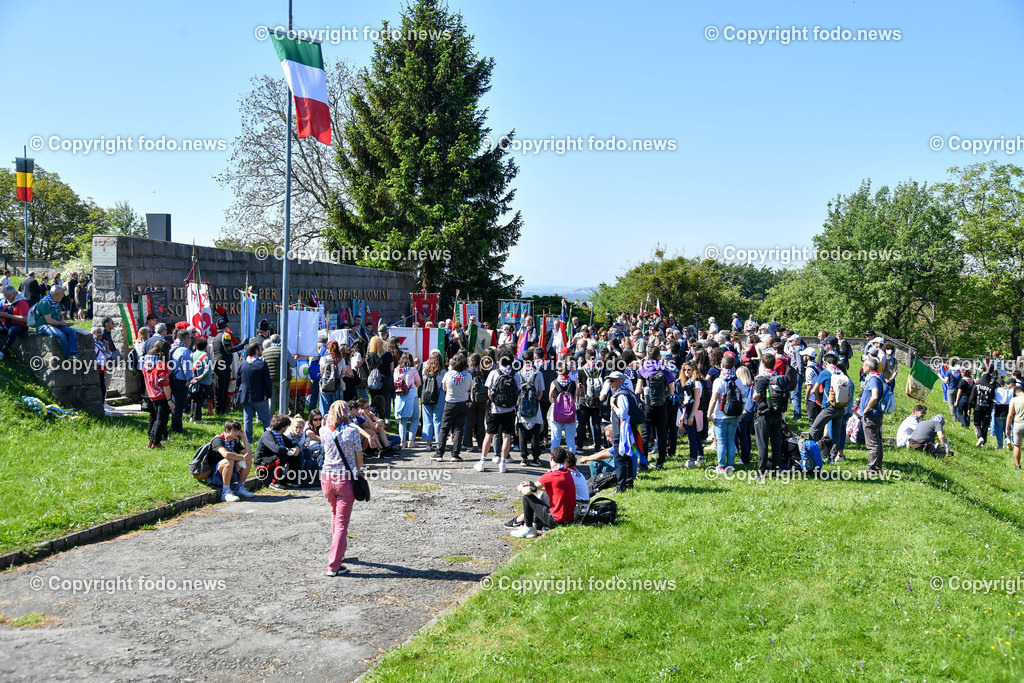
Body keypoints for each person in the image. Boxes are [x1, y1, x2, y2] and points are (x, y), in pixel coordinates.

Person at [320, 400, 364, 575]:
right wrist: (357, 471)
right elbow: (359, 458)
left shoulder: (323, 430)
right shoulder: (352, 431)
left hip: (326, 479)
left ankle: (339, 551)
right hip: (345, 479)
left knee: (334, 514)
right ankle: (334, 565)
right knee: (342, 523)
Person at [509, 446, 576, 538]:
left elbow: (527, 492)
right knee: (544, 495)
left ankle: (528, 528)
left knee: (527, 497)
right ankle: (536, 523)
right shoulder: (567, 473)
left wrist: (521, 488)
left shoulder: (550, 475)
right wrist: (529, 485)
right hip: (569, 518)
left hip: (555, 521)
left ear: (551, 458)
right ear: (564, 460)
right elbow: (550, 487)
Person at [478, 354, 519, 473]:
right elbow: (518, 391)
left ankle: (482, 462)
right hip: (510, 410)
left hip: (495, 409)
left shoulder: (494, 373)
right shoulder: (515, 375)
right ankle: (503, 463)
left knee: (489, 435)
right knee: (506, 436)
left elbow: (489, 391)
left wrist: (495, 402)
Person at [636, 346, 675, 470]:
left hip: (647, 406)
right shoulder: (664, 369)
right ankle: (660, 462)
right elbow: (672, 392)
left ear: (648, 356)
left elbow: (638, 390)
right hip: (662, 406)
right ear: (659, 356)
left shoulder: (643, 369)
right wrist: (663, 395)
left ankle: (643, 463)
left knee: (645, 435)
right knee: (661, 434)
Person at [752, 351, 787, 475]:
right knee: (776, 443)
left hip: (763, 414)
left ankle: (761, 470)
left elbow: (755, 397)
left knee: (763, 443)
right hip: (777, 414)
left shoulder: (762, 380)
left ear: (763, 364)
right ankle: (775, 469)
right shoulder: (780, 378)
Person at [432, 353, 471, 462]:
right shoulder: (468, 375)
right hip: (462, 403)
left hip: (450, 403)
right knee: (458, 429)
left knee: (444, 428)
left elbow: (444, 388)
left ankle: (439, 453)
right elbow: (469, 387)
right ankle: (455, 454)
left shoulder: (448, 374)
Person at [707, 354, 742, 473]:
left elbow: (714, 399)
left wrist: (709, 413)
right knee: (731, 440)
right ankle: (730, 466)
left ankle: (721, 466)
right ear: (733, 366)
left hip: (720, 414)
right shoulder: (738, 381)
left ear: (722, 365)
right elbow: (743, 399)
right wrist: (740, 413)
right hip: (734, 414)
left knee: (721, 441)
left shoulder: (719, 381)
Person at [207, 420, 256, 502]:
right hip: (214, 476)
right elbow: (226, 454)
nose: (237, 433)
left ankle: (240, 488)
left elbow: (249, 454)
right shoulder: (218, 439)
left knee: (248, 460)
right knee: (229, 461)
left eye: (238, 431)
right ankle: (225, 492)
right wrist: (242, 458)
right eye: (235, 431)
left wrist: (244, 437)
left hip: (229, 472)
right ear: (227, 430)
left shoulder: (234, 441)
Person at [237, 342, 273, 444]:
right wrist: (269, 394)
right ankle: (269, 439)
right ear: (257, 351)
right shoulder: (262, 364)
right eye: (260, 349)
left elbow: (238, 381)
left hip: (246, 396)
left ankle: (248, 440)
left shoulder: (242, 364)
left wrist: (240, 394)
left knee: (247, 420)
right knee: (266, 420)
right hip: (260, 396)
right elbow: (267, 381)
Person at [515, 355, 547, 466]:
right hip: (535, 408)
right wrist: (534, 402)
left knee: (522, 434)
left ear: (523, 360)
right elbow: (541, 392)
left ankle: (523, 458)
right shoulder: (538, 374)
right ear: (533, 360)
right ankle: (536, 458)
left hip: (521, 408)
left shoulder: (518, 373)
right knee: (535, 434)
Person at [256, 414, 303, 490]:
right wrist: (289, 450)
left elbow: (291, 442)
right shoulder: (268, 435)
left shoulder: (280, 435)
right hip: (263, 463)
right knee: (282, 455)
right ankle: (274, 481)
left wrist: (296, 447)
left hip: (272, 459)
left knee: (294, 454)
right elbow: (277, 449)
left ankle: (293, 479)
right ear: (283, 427)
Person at [142, 339, 173, 448]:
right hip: (161, 395)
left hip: (151, 394)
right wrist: (169, 400)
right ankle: (156, 442)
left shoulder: (146, 363)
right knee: (161, 419)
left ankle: (150, 441)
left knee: (153, 418)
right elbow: (165, 384)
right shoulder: (161, 365)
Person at [211, 318, 246, 414]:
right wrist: (242, 345)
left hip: (218, 364)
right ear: (225, 327)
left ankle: (219, 409)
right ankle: (221, 410)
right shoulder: (225, 335)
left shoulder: (215, 338)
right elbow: (229, 349)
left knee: (219, 388)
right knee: (223, 388)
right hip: (224, 365)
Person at [35, 285, 79, 358]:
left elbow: (60, 314)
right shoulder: (44, 302)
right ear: (57, 295)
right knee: (60, 334)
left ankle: (74, 352)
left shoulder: (56, 302)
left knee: (72, 331)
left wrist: (62, 320)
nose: (63, 296)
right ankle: (68, 355)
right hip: (43, 326)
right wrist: (62, 324)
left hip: (55, 324)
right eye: (62, 294)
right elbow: (49, 320)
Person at [859, 356, 886, 474]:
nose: (862, 367)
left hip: (871, 415)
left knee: (873, 443)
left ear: (869, 367)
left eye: (864, 365)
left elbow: (874, 396)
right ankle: (877, 467)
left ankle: (871, 469)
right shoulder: (878, 376)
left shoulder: (874, 379)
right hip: (876, 414)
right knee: (877, 441)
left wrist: (867, 409)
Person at [678, 362, 704, 468]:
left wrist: (691, 416)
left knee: (693, 436)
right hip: (688, 410)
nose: (686, 372)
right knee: (694, 435)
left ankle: (693, 459)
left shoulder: (696, 383)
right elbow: (686, 400)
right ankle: (699, 456)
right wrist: (683, 415)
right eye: (684, 370)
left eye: (689, 369)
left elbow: (697, 401)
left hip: (695, 411)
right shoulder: (688, 382)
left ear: (693, 370)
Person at [393, 351, 421, 448]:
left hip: (400, 396)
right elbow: (419, 383)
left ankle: (402, 442)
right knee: (415, 418)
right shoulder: (413, 370)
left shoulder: (396, 370)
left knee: (402, 420)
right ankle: (411, 441)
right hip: (411, 395)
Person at [168, 329, 193, 435]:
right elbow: (187, 367)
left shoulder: (172, 347)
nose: (190, 340)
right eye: (190, 338)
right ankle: (177, 429)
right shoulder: (184, 350)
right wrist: (189, 379)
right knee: (179, 405)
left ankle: (175, 426)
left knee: (174, 404)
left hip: (172, 378)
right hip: (181, 380)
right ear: (186, 339)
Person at [420, 350, 446, 450]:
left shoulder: (425, 371)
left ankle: (428, 443)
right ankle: (439, 443)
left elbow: (424, 382)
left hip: (426, 397)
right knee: (438, 420)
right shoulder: (443, 372)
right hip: (439, 396)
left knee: (427, 420)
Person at [262, 334, 292, 414]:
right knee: (284, 401)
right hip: (284, 379)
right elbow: (293, 364)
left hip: (270, 380)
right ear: (280, 341)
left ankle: (270, 418)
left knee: (271, 402)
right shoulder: (284, 350)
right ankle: (283, 417)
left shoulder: (265, 352)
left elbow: (262, 365)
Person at [970, 367, 998, 448]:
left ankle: (980, 437)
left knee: (976, 423)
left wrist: (969, 407)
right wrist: (990, 410)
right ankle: (984, 442)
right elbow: (992, 400)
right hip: (987, 409)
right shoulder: (991, 388)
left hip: (977, 408)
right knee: (985, 425)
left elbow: (972, 397)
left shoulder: (976, 385)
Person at [0, 284, 29, 361]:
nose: (6, 298)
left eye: (8, 296)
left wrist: (8, 316)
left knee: (12, 330)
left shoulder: (22, 301)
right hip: (6, 324)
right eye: (5, 296)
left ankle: (3, 352)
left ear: (14, 293)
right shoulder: (5, 301)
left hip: (20, 325)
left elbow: (25, 319)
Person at [189, 336, 213, 423]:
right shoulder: (206, 356)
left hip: (192, 380)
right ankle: (197, 419)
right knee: (199, 400)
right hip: (202, 381)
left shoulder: (191, 355)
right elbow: (208, 370)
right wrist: (200, 377)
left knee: (194, 399)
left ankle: (192, 416)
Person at [1005, 383, 1024, 470]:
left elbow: (1010, 415)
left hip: (1018, 424)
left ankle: (1017, 465)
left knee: (1017, 446)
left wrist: (1007, 428)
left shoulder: (1014, 400)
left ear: (1016, 393)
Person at [993, 377, 1014, 450]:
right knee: (1007, 427)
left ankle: (1000, 445)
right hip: (1007, 410)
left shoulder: (996, 391)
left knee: (999, 429)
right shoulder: (1009, 391)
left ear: (997, 384)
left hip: (999, 410)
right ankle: (1008, 440)